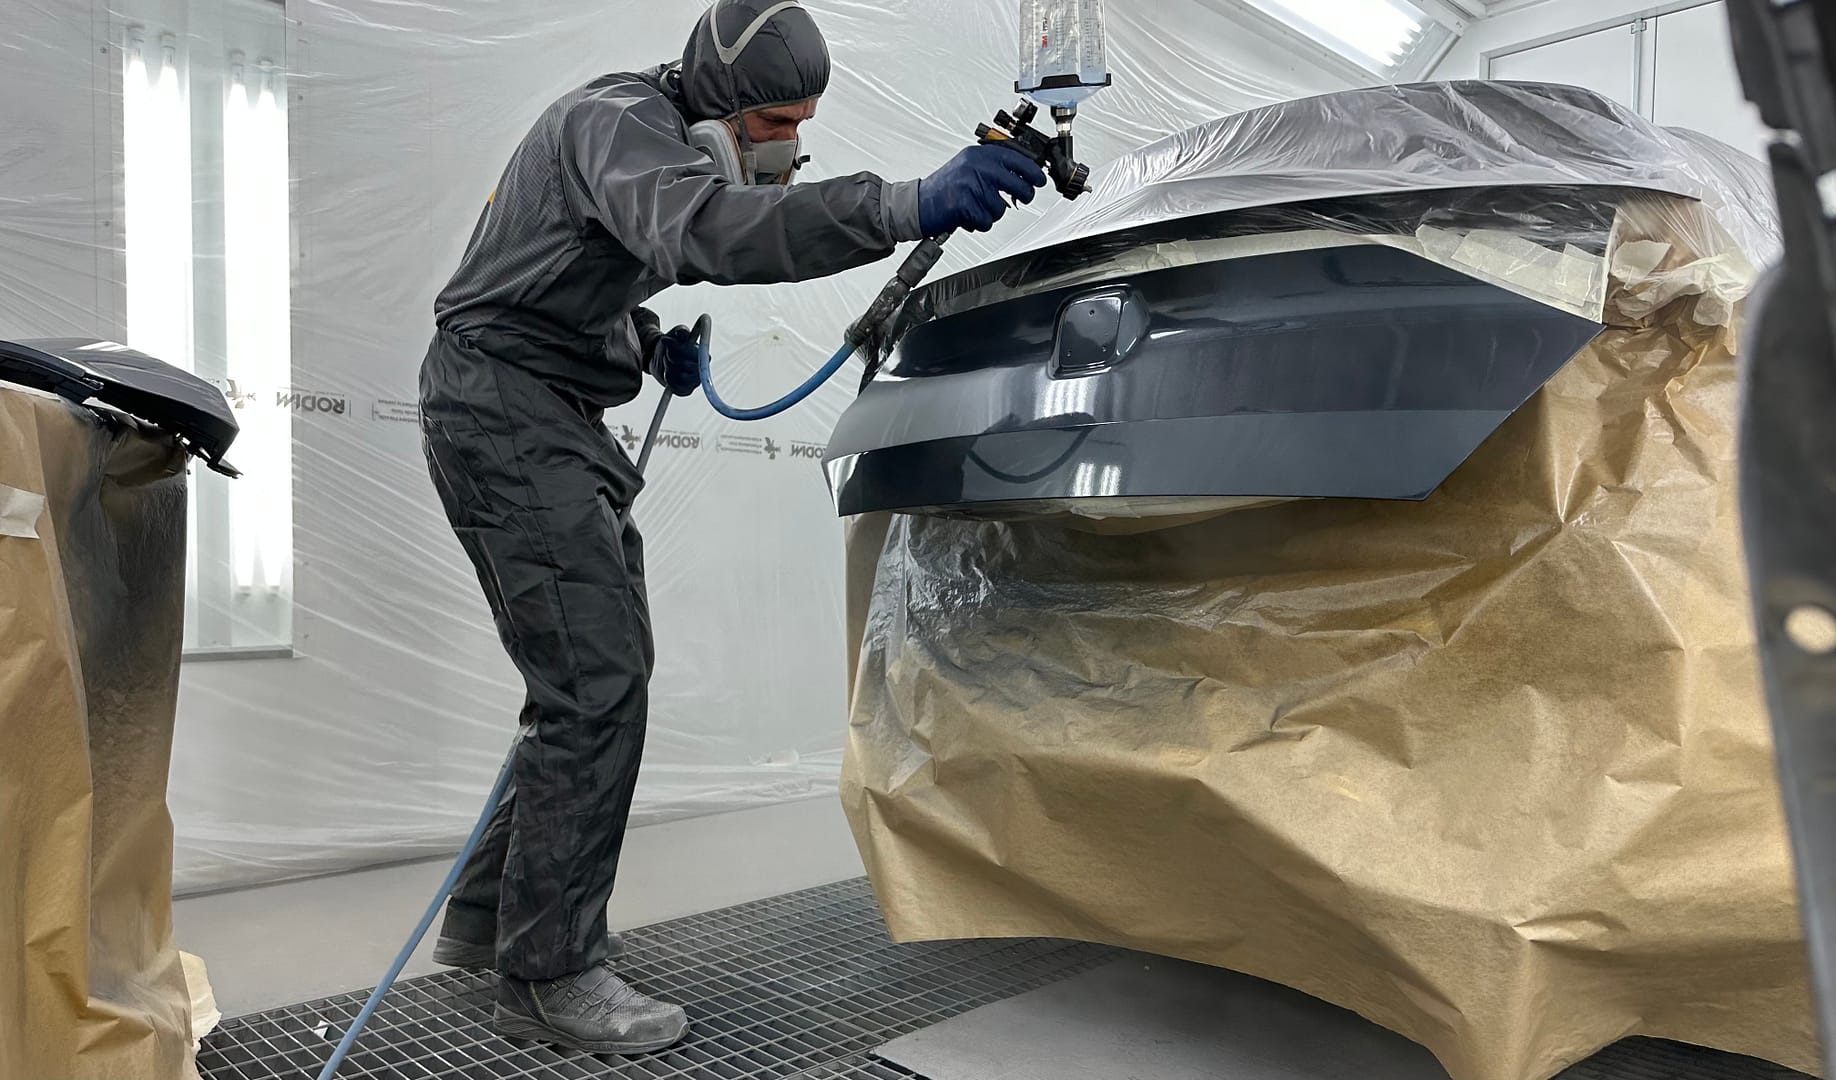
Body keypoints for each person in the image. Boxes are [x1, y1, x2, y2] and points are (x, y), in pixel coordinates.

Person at [416, 0, 1046, 1057]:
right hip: (504, 407)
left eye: (802, 124)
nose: (789, 147)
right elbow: (703, 230)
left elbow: (558, 271)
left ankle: (494, 923)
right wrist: (905, 203)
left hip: (541, 408)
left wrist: (636, 340)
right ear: (716, 103)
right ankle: (548, 975)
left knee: (583, 675)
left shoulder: (648, 143)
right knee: (595, 681)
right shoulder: (616, 121)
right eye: (774, 125)